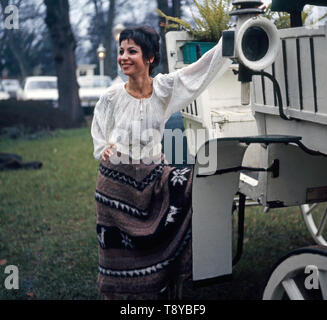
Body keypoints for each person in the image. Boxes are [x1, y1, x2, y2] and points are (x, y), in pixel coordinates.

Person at [91, 25, 231, 300]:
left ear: (150, 58)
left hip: (155, 174)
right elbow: (99, 133)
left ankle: (165, 275)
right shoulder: (111, 97)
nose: (124, 57)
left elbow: (199, 71)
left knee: (192, 187)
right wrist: (105, 147)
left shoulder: (165, 88)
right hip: (118, 183)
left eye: (132, 51)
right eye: (121, 51)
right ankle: (121, 287)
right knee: (115, 238)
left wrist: (230, 40)